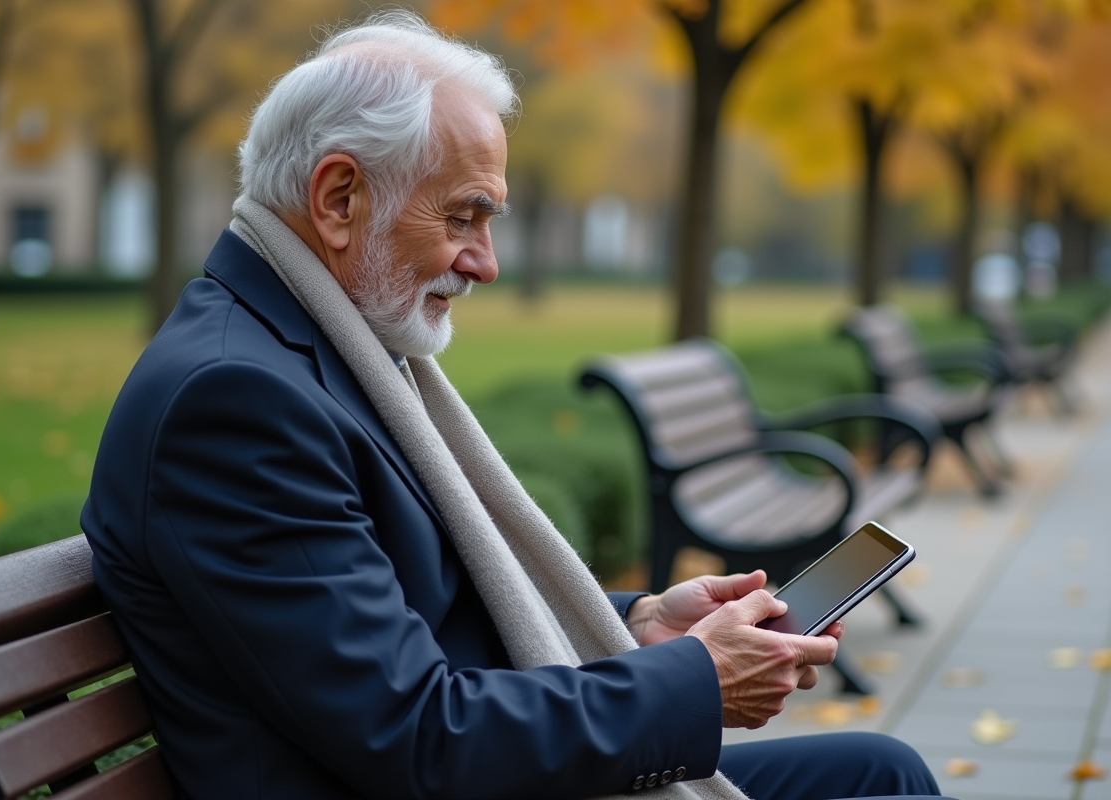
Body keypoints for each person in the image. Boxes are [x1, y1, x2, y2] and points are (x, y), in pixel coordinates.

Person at [81, 11, 952, 800]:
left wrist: (638, 623)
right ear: (339, 199)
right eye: (464, 217)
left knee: (878, 770)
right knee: (877, 781)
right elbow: (417, 740)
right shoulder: (236, 403)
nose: (486, 263)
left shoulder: (308, 351)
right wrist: (698, 681)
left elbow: (424, 622)